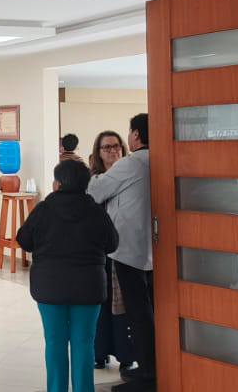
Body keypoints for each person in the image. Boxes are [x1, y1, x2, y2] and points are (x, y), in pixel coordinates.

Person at [17, 160, 119, 392]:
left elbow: (24, 240)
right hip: (88, 288)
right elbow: (112, 244)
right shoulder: (96, 211)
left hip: (49, 288)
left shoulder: (43, 210)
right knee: (84, 344)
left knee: (55, 343)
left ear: (59, 183)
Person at [87, 114, 155, 392]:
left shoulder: (131, 163)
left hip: (128, 250)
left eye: (118, 143)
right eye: (106, 147)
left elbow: (94, 191)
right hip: (150, 249)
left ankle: (149, 374)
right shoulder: (159, 158)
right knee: (147, 311)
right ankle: (150, 367)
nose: (114, 150)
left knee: (138, 313)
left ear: (135, 135)